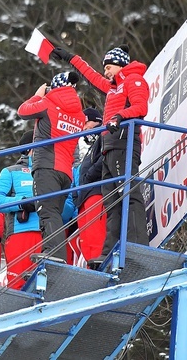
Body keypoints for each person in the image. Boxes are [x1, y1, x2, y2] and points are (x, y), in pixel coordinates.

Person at [52, 44, 151, 259]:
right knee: (111, 198)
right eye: (105, 68)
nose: (105, 72)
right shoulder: (114, 86)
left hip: (124, 141)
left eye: (108, 67)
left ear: (120, 64)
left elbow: (141, 107)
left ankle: (137, 244)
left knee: (127, 192)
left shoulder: (134, 80)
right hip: (109, 145)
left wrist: (119, 117)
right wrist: (71, 58)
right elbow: (92, 76)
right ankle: (109, 251)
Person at [17, 71, 84, 263]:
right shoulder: (79, 114)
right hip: (66, 171)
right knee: (54, 212)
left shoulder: (48, 104)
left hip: (46, 166)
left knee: (46, 211)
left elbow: (23, 110)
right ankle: (55, 254)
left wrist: (38, 94)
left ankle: (53, 254)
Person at [0, 132, 42, 289]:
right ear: (28, 148)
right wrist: (22, 203)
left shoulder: (52, 172)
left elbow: (68, 202)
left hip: (51, 232)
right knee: (19, 285)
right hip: (22, 233)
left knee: (50, 286)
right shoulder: (11, 171)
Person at [74, 108, 108, 264]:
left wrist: (89, 176)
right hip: (83, 197)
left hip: (96, 192)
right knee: (85, 241)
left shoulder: (104, 134)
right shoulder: (85, 146)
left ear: (97, 121)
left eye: (86, 121)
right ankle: (91, 267)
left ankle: (98, 267)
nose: (84, 126)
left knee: (96, 236)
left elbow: (105, 158)